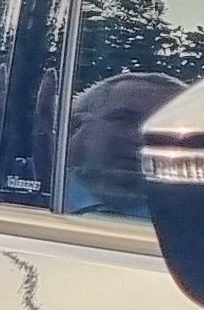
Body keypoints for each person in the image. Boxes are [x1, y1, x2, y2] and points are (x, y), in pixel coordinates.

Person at [64, 70, 187, 216]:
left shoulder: (196, 221)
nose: (140, 137)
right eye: (124, 119)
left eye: (165, 127)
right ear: (75, 125)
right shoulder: (34, 190)